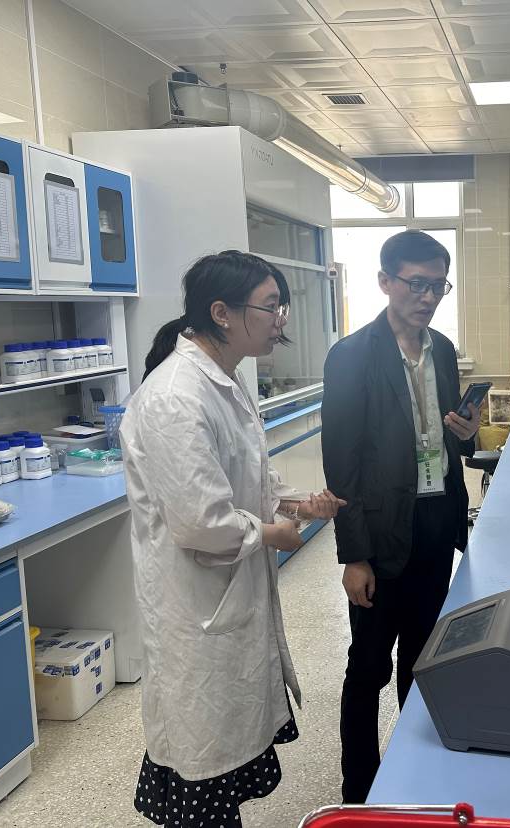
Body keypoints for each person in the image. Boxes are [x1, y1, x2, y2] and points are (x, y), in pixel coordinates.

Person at [120, 250, 345, 826]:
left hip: (227, 597)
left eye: (281, 306)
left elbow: (247, 476)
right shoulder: (175, 397)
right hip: (196, 608)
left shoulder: (225, 379)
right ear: (221, 313)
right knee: (201, 760)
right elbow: (200, 521)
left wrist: (294, 502)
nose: (280, 319)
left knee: (225, 751)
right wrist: (275, 533)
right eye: (270, 306)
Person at [322, 230, 482, 803]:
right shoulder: (352, 356)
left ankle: (417, 778)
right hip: (381, 530)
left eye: (439, 285)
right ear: (385, 282)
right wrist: (354, 556)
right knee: (368, 667)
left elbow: (450, 439)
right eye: (417, 284)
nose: (428, 297)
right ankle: (359, 793)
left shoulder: (442, 349)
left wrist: (467, 434)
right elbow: (341, 465)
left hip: (436, 524)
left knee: (423, 660)